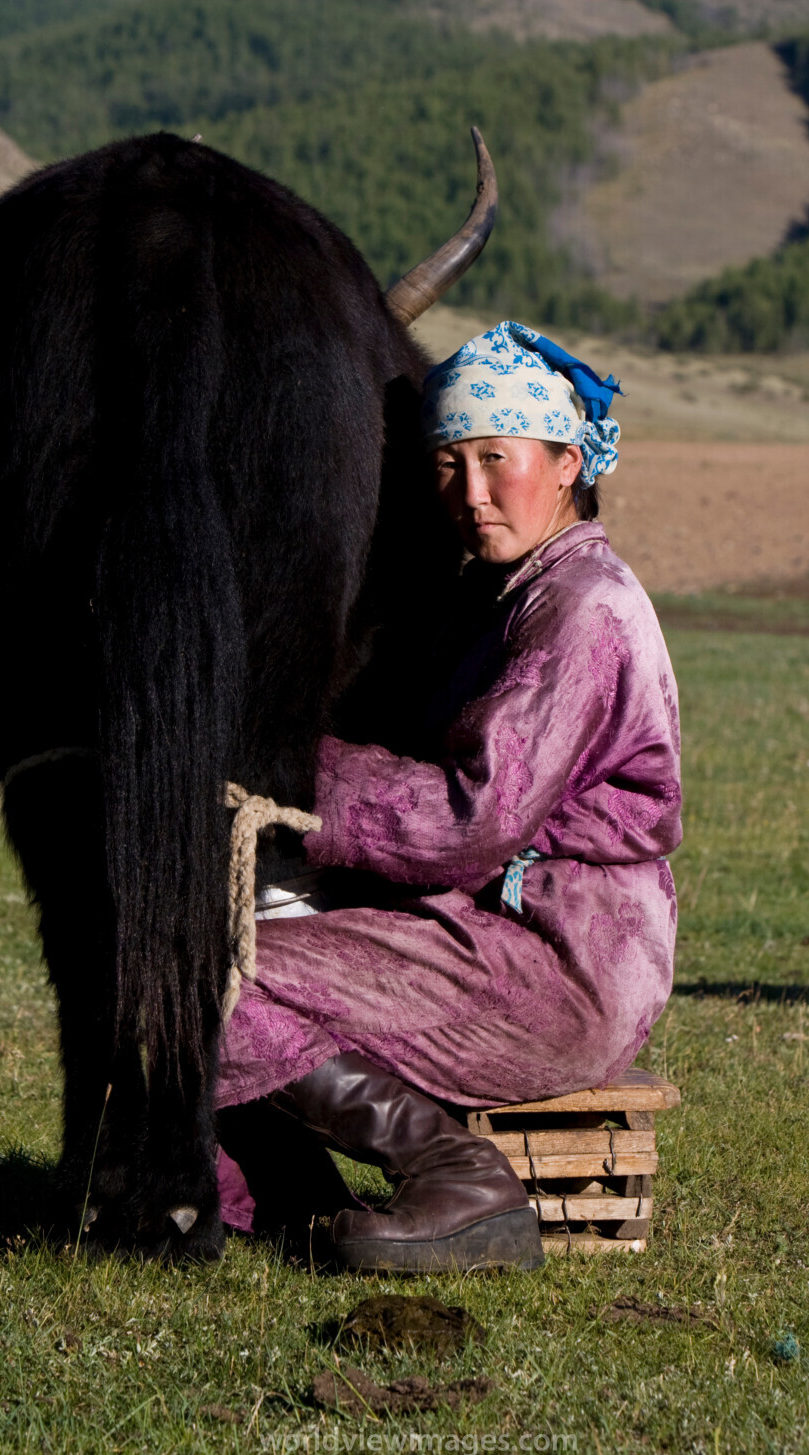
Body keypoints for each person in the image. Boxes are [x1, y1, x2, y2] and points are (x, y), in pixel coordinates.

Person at [214, 321, 682, 1272]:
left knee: (214, 979)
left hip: (560, 967)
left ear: (565, 461)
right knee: (196, 950)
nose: (470, 493)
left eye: (495, 459)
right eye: (448, 463)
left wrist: (289, 774)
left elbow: (472, 820)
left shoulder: (583, 610)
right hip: (500, 936)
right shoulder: (507, 596)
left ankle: (461, 1183)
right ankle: (295, 1203)